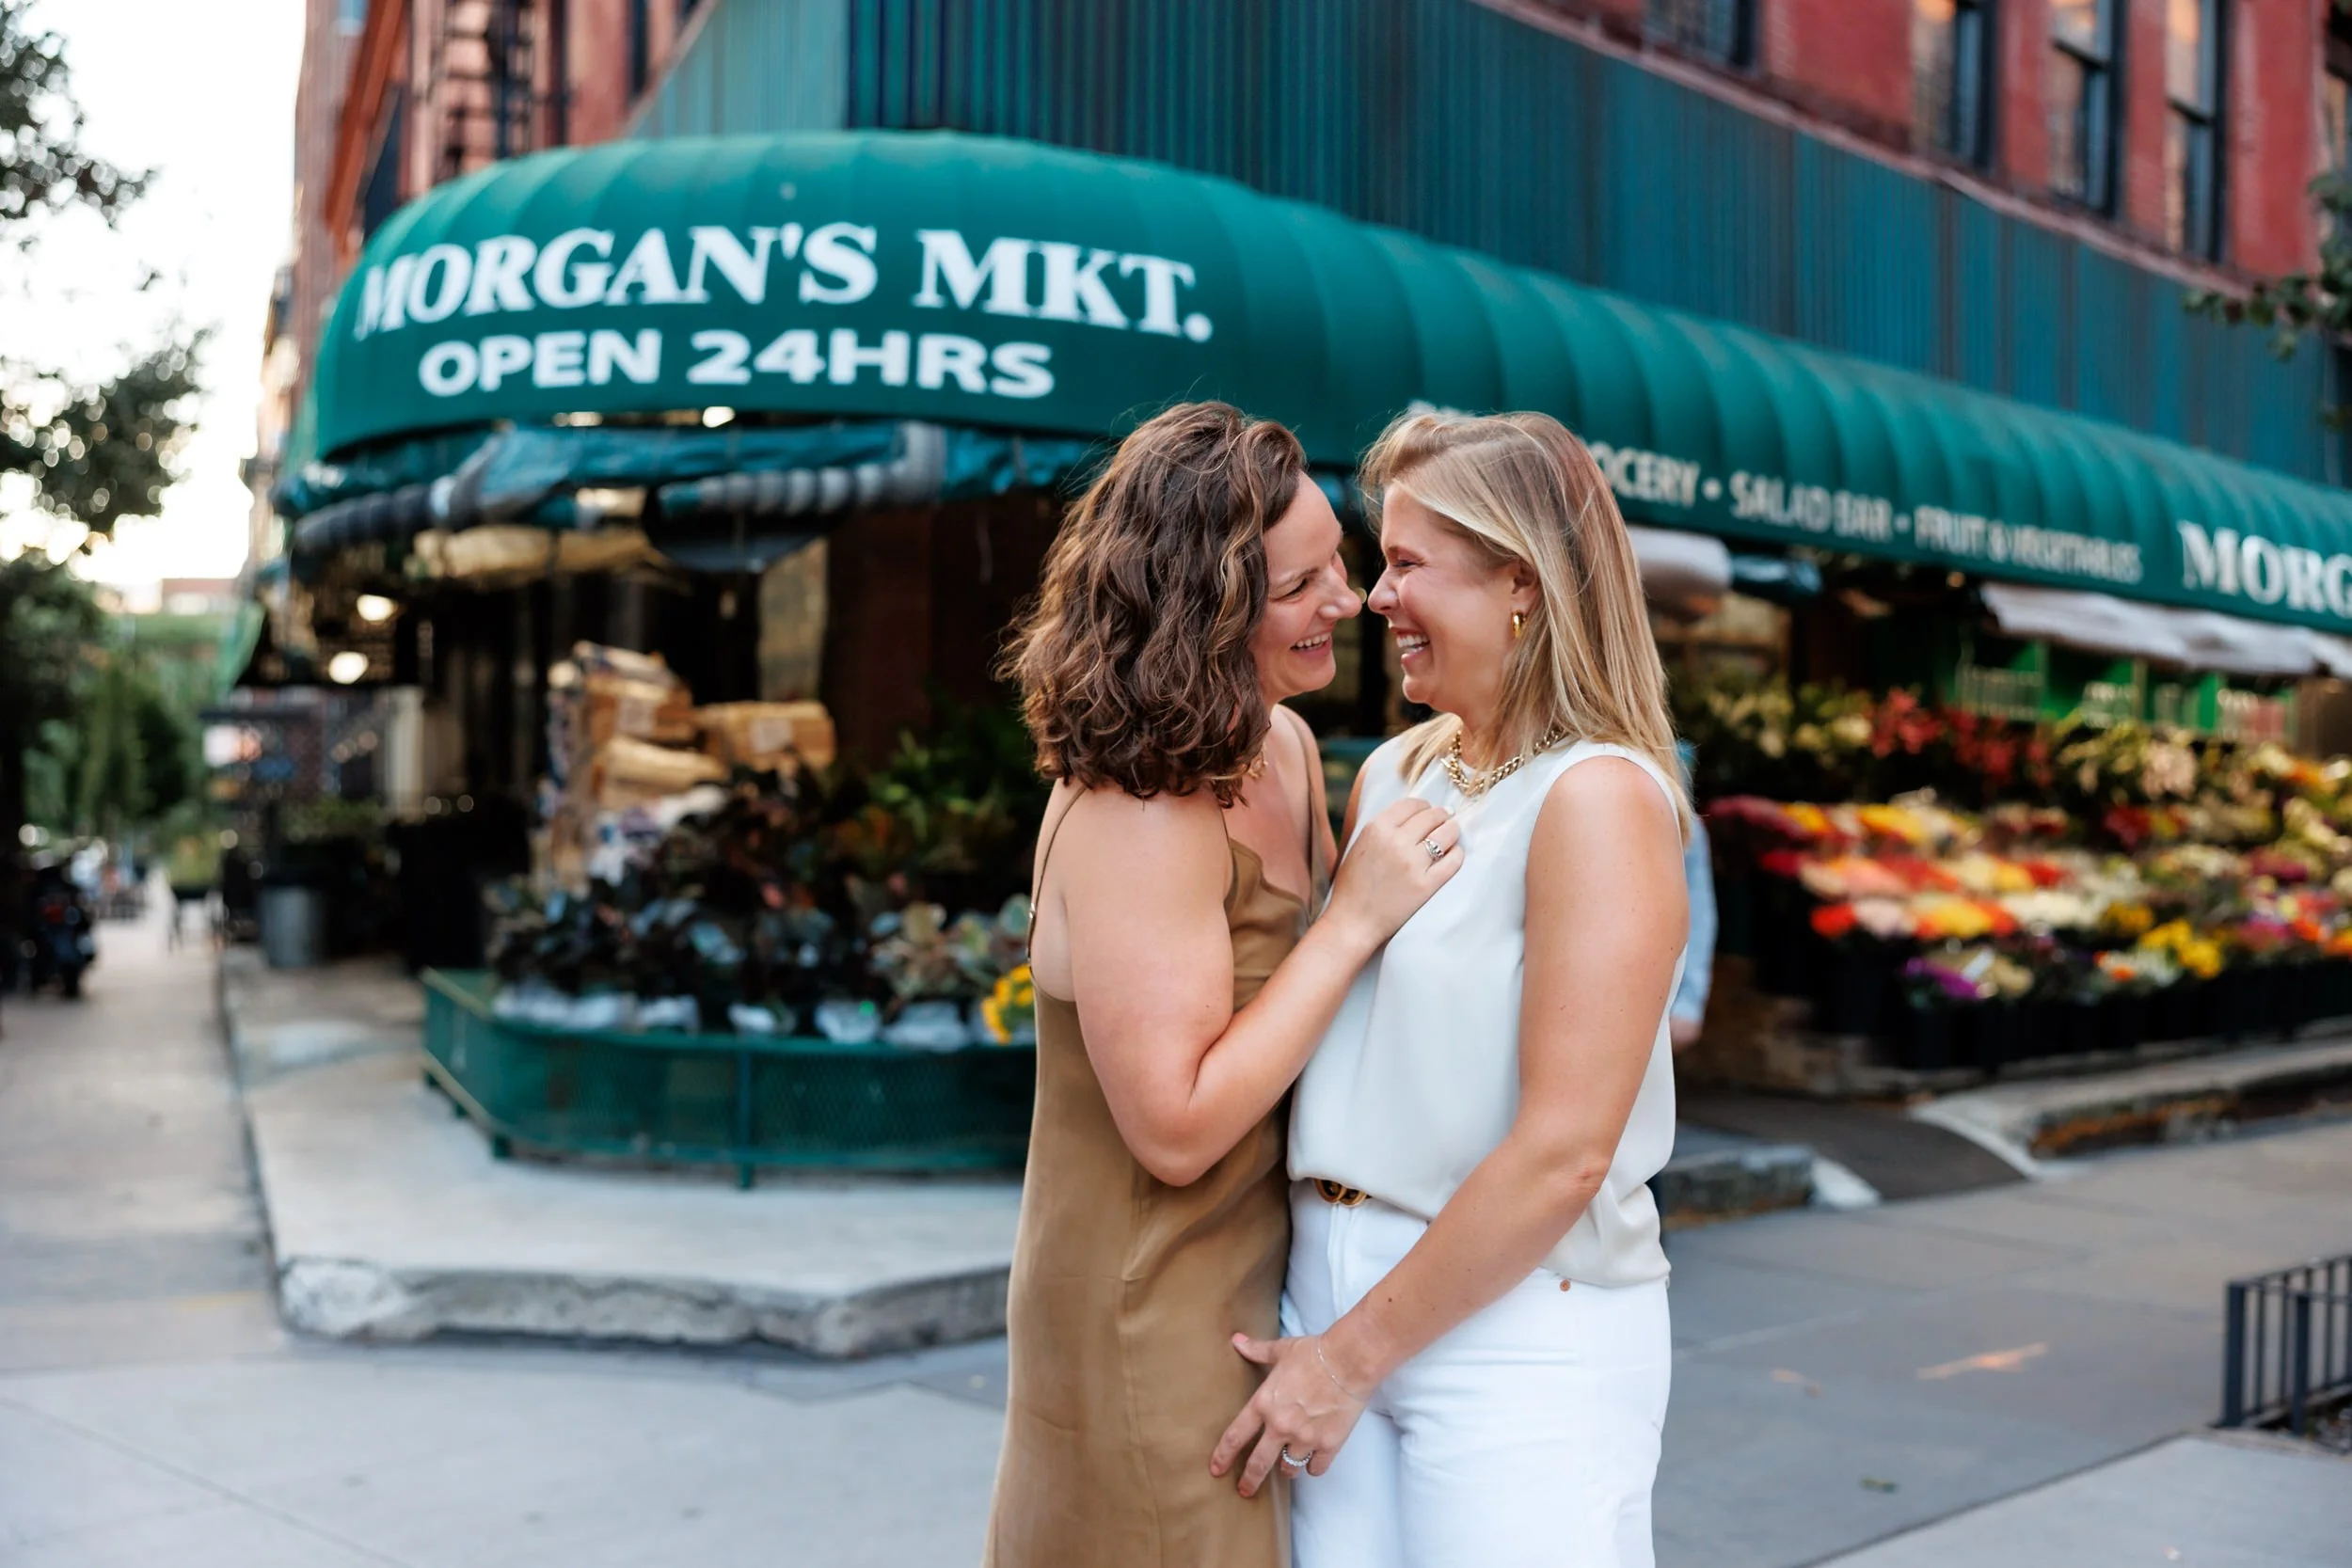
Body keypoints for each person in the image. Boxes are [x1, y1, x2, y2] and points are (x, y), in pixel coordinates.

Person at [985, 402, 1463, 1568]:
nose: (1347, 600)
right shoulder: (1139, 811)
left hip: (1258, 1277)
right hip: (1146, 1302)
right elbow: (1177, 1127)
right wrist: (1350, 921)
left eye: (1340, 564)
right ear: (1205, 608)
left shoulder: (1280, 744)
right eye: (1300, 585)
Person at [1212, 410, 1691, 1567]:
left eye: (1407, 563)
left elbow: (1565, 1151)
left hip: (1516, 1329)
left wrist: (1347, 1359)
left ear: (1520, 581)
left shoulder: (1597, 796)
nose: (1375, 597)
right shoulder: (1395, 772)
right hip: (1325, 1295)